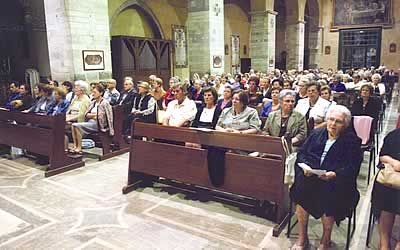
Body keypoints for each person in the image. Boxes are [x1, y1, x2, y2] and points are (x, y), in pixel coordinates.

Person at [290, 105, 362, 250]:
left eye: (338, 121)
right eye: (330, 119)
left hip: (336, 182)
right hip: (312, 177)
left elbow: (352, 166)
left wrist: (334, 174)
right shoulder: (317, 133)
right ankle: (302, 236)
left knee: (328, 197)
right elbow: (302, 153)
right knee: (300, 191)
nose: (333, 124)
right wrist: (307, 168)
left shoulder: (352, 141)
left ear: (345, 124)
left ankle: (326, 239)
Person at [371, 128, 400, 250]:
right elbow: (382, 156)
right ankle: (384, 244)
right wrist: (394, 162)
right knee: (384, 194)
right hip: (393, 178)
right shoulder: (395, 135)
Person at [70, 84, 114, 154]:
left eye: (95, 92)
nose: (93, 94)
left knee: (76, 126)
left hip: (99, 124)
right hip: (91, 121)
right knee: (73, 125)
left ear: (101, 93)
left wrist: (94, 116)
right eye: (92, 92)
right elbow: (86, 114)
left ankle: (79, 147)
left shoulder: (105, 103)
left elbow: (106, 115)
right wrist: (93, 115)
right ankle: (75, 146)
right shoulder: (93, 102)